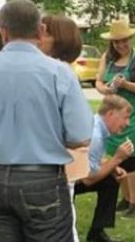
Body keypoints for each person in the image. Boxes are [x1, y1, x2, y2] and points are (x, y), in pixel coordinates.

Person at [0, 0, 93, 242]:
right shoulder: (58, 72)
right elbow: (80, 136)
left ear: (3, 32)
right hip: (42, 177)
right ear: (40, 30)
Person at [37, 14, 92, 242]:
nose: (38, 36)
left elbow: (79, 131)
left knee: (62, 224)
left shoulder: (59, 71)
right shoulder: (54, 70)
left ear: (61, 39)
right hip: (57, 161)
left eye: (46, 32)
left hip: (59, 162)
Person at [95, 19, 135, 219]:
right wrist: (104, 89)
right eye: (117, 42)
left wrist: (127, 85)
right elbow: (98, 81)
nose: (121, 45)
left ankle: (134, 203)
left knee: (132, 157)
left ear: (131, 39)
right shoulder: (108, 58)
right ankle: (124, 198)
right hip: (113, 115)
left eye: (124, 41)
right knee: (116, 157)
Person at [75, 96, 135, 242]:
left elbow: (94, 160)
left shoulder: (97, 125)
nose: (128, 123)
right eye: (125, 117)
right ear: (110, 114)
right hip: (61, 182)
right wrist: (117, 159)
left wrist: (112, 166)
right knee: (107, 178)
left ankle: (97, 233)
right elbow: (88, 179)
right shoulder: (95, 136)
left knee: (110, 179)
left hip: (72, 175)